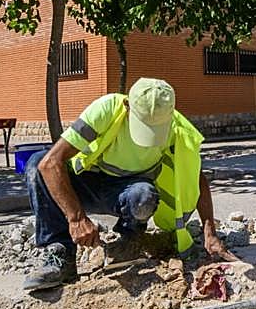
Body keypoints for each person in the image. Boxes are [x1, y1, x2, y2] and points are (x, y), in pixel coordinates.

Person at [22, 78, 234, 292]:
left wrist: (210, 233)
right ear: (127, 106)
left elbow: (195, 176)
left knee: (144, 195)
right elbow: (50, 163)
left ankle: (130, 240)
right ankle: (60, 253)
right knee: (35, 165)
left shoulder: (177, 129)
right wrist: (76, 218)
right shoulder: (106, 110)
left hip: (128, 191)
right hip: (85, 183)